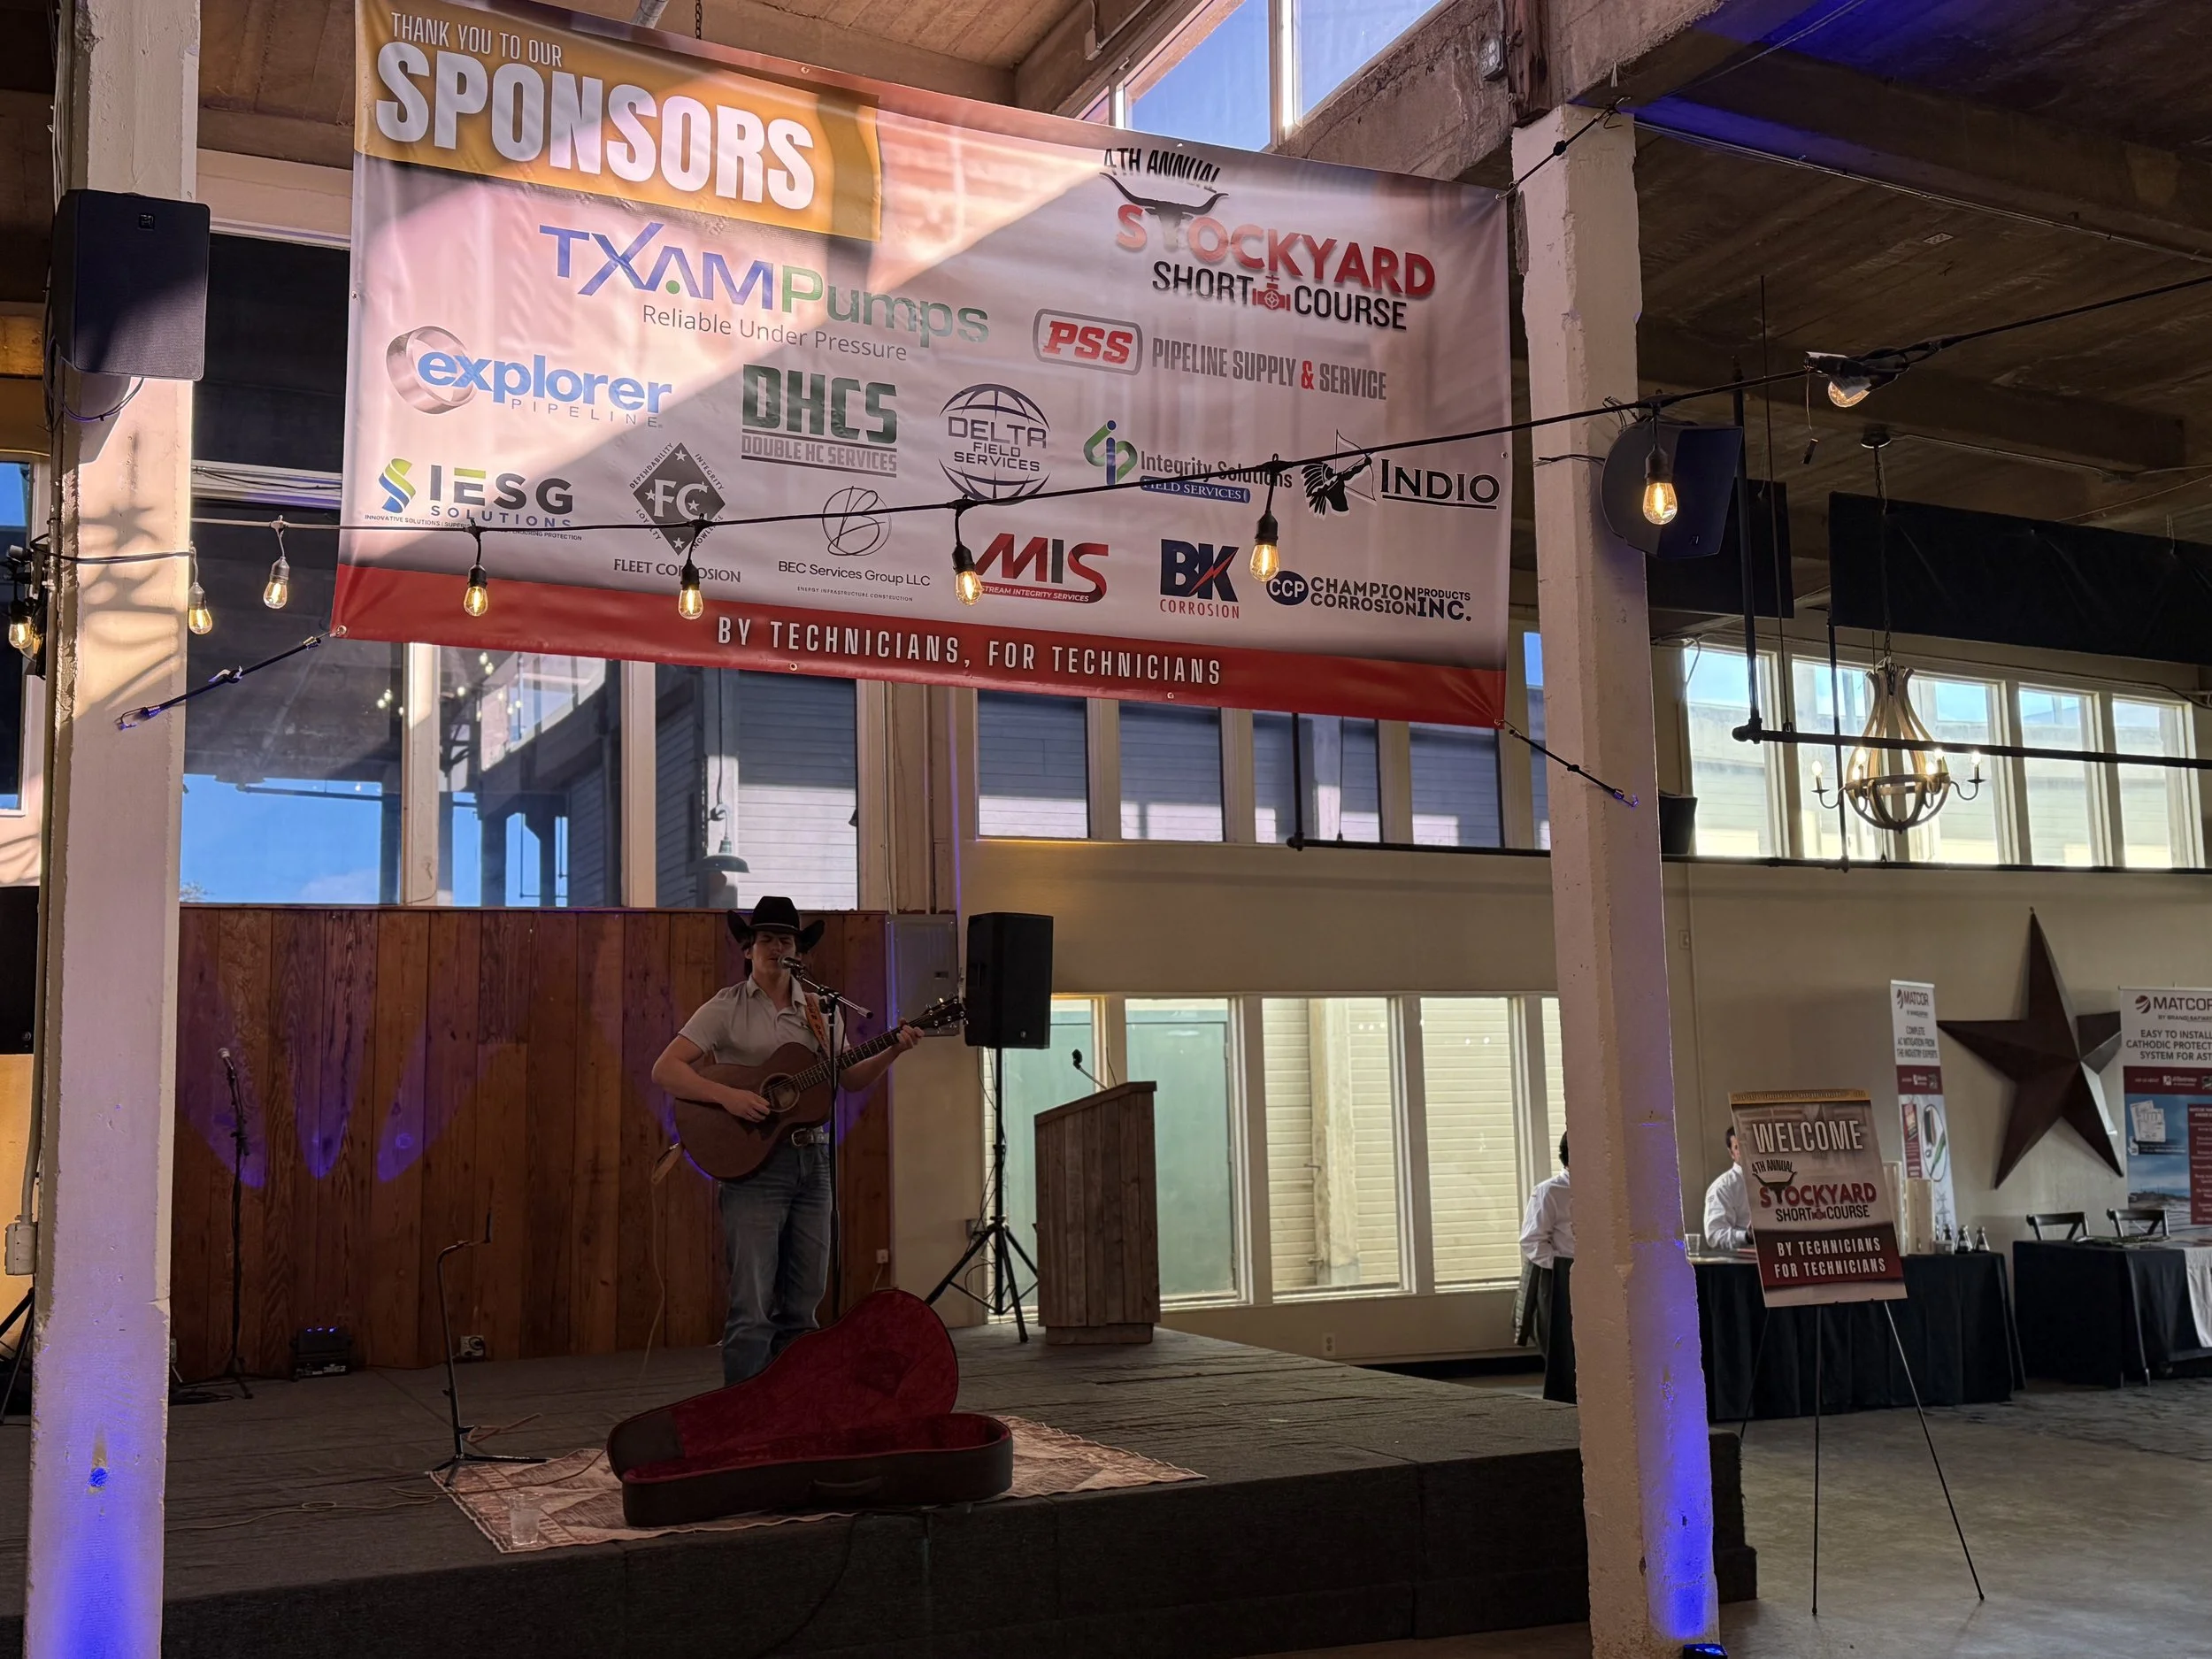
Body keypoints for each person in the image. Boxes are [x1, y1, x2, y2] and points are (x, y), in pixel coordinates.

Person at [651, 896, 920, 1385]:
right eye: (768, 939)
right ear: (748, 949)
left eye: (787, 939)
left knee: (804, 1305)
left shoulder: (819, 1010)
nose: (778, 947)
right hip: (753, 1170)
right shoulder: (725, 1006)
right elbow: (665, 1069)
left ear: (800, 950)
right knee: (752, 1306)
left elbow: (850, 1078)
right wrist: (728, 1097)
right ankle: (741, 1419)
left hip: (812, 1164)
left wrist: (892, 1051)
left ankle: (794, 1410)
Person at [1519, 1134, 1573, 1267]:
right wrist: (1565, 1267)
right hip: (1564, 1275)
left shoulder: (1606, 1191)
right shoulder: (1549, 1192)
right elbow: (1532, 1241)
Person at [1704, 1124, 1754, 1252]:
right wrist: (1746, 1236)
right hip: (1743, 1266)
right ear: (1731, 1153)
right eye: (1738, 1147)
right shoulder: (1723, 1187)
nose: (1745, 1150)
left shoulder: (1775, 1178)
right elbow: (1714, 1235)